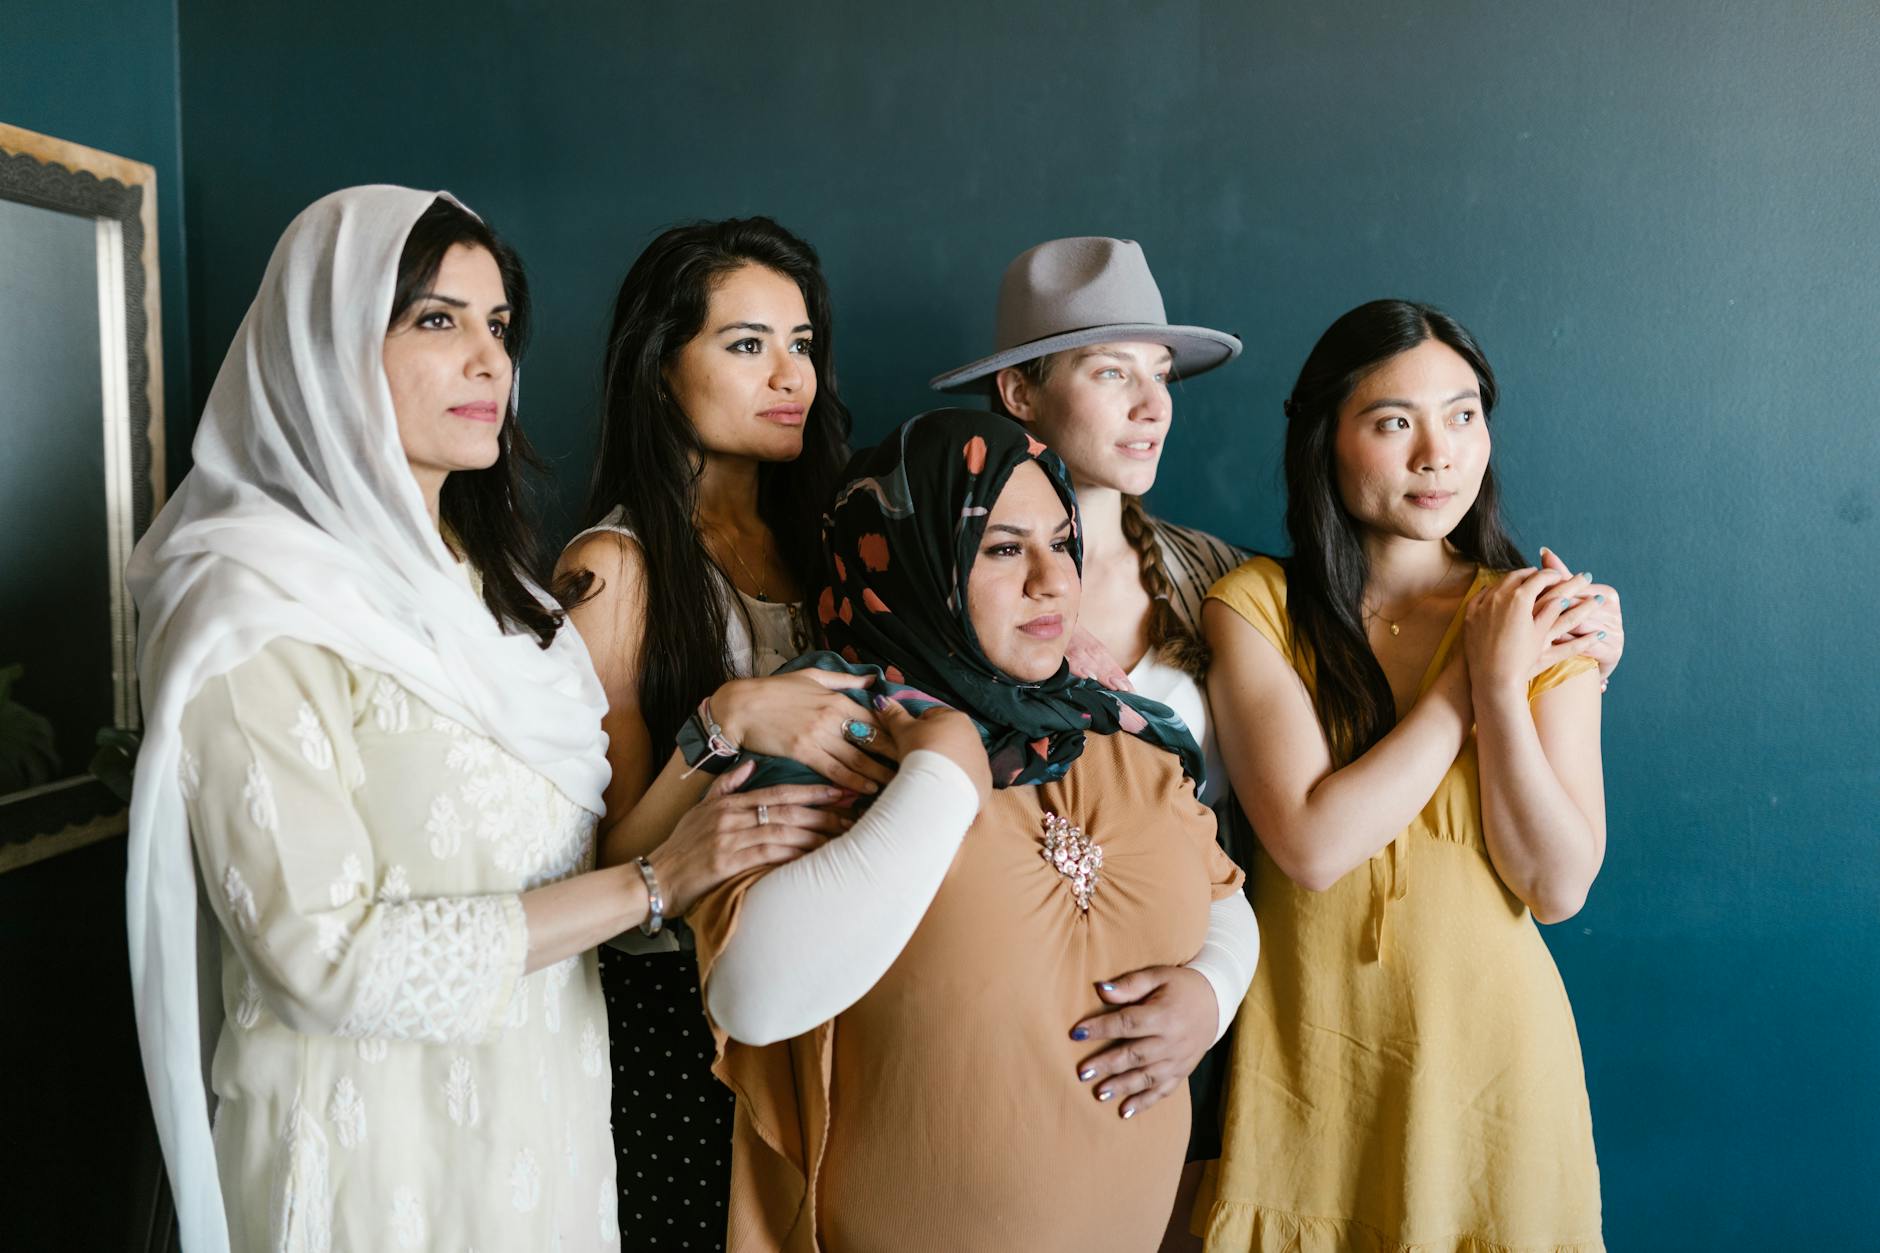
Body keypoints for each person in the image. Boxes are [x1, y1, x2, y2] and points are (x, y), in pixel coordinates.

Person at [125, 188, 814, 1251]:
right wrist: (650, 881)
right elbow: (321, 957)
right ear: (326, 342)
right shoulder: (251, 608)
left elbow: (575, 854)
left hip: (546, 1132)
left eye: (498, 325)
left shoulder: (510, 606)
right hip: (371, 1164)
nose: (489, 359)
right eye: (437, 319)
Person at [688, 409, 1259, 1253]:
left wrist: (1212, 989)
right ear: (916, 561)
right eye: (1001, 548)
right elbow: (752, 997)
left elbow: (1224, 897)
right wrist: (944, 778)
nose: (1052, 580)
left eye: (1061, 542)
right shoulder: (828, 732)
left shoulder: (1115, 724)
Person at [1198, 300, 1608, 1250]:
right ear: (1326, 440)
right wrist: (1470, 677)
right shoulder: (1256, 607)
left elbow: (1557, 885)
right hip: (1311, 1076)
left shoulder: (1543, 617)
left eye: (1463, 415)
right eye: (1395, 423)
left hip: (1496, 1079)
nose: (1439, 454)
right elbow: (1312, 846)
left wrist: (1503, 685)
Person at [553, 217, 887, 1248]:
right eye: (747, 344)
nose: (790, 375)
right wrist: (720, 720)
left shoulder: (834, 546)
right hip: (681, 1011)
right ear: (662, 367)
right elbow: (599, 866)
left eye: (802, 344)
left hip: (846, 980)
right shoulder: (616, 569)